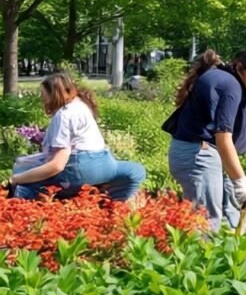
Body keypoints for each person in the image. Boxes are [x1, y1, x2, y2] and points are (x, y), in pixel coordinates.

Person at [165, 48, 246, 231]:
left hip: (201, 153)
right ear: (239, 68)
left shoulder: (225, 78)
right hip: (199, 156)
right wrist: (240, 180)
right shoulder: (231, 86)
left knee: (231, 217)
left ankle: (234, 247)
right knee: (206, 223)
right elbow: (223, 138)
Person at [9, 72, 146, 202]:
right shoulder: (81, 106)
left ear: (54, 94)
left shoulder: (63, 115)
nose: (41, 98)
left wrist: (16, 179)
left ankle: (21, 202)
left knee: (26, 177)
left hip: (79, 169)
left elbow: (57, 165)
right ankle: (112, 206)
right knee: (136, 171)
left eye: (43, 94)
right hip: (105, 164)